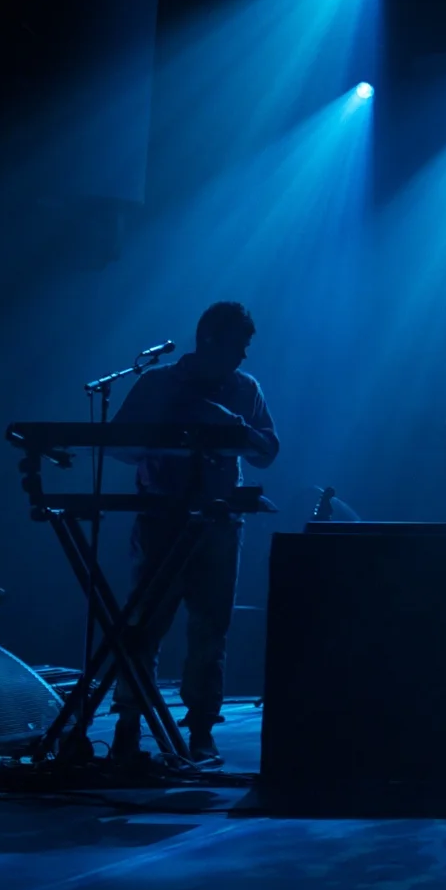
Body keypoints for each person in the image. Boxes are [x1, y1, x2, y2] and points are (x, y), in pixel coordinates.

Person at [109, 300, 280, 763]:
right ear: (210, 340)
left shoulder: (245, 389)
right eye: (238, 345)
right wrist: (168, 433)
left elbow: (268, 451)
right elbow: (118, 446)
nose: (244, 355)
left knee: (211, 628)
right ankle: (128, 725)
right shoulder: (158, 383)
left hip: (219, 523)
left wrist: (232, 427)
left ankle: (201, 730)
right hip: (160, 518)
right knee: (144, 626)